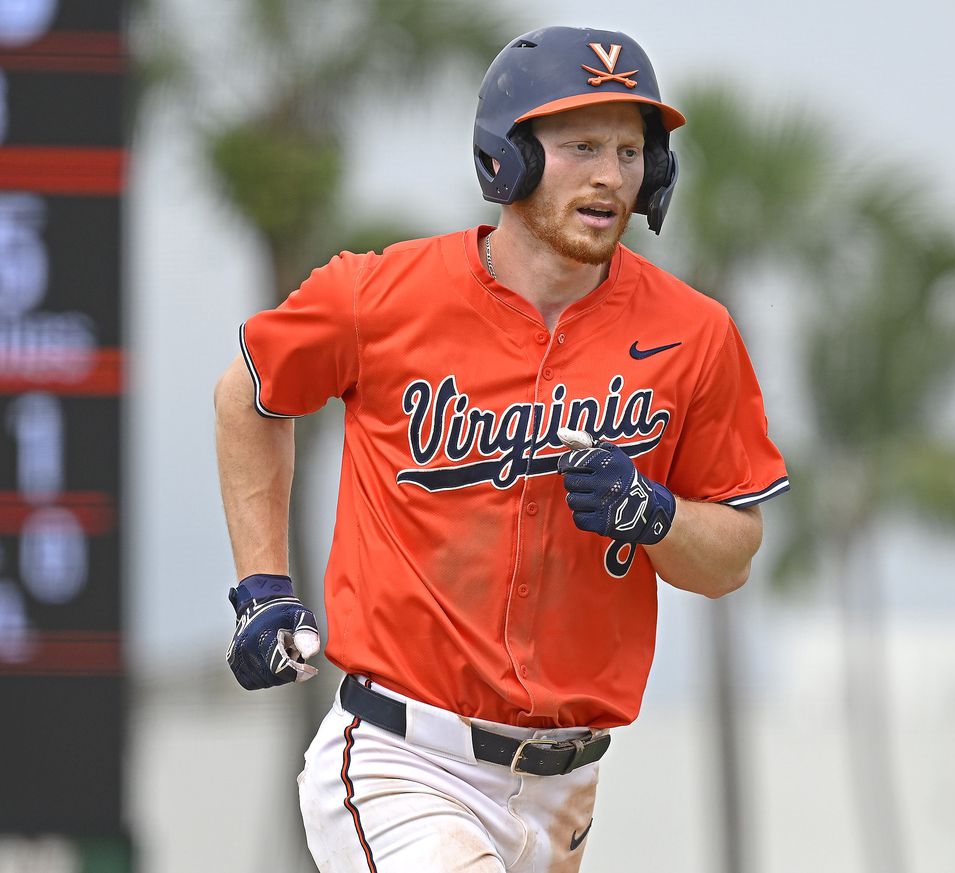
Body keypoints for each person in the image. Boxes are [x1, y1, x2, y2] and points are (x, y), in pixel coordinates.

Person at [214, 25, 790, 873]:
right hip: (400, 757)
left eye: (631, 151)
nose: (610, 175)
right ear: (507, 157)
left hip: (566, 789)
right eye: (580, 146)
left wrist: (656, 515)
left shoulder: (694, 334)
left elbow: (732, 554)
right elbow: (249, 394)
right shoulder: (379, 297)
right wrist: (263, 586)